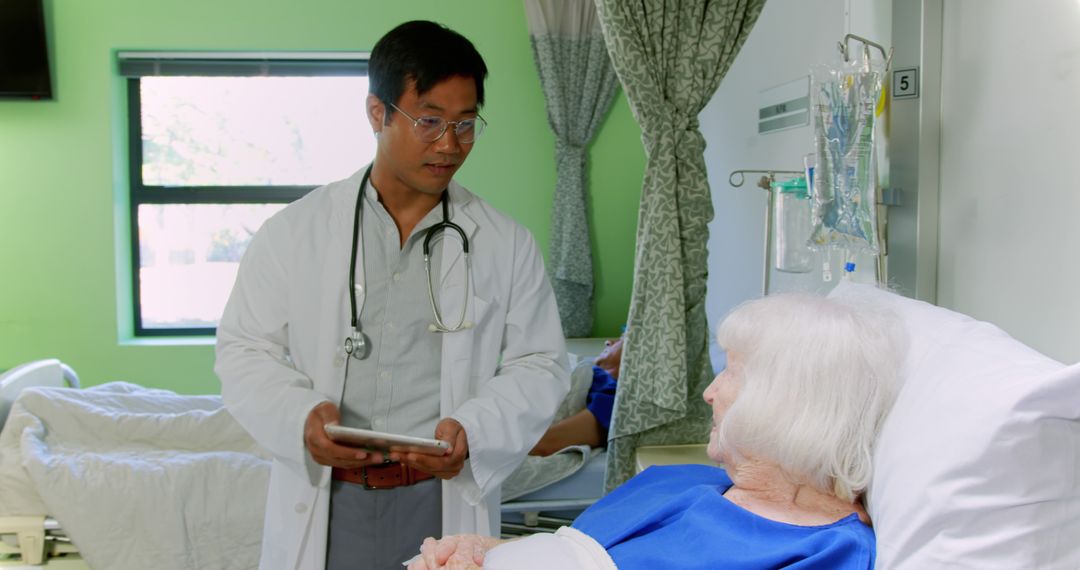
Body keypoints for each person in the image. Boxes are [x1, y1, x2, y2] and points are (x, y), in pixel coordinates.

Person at [215, 20, 570, 570]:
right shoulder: (296, 231)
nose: (450, 144)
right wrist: (300, 416)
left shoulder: (504, 243)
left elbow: (541, 361)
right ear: (377, 113)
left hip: (441, 499)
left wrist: (476, 429)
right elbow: (243, 348)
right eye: (429, 121)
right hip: (330, 499)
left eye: (466, 124)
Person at [408, 293, 907, 570]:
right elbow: (570, 547)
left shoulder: (825, 551)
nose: (709, 393)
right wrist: (480, 551)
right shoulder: (675, 480)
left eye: (730, 373)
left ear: (785, 400)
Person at [529, 334, 622, 456]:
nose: (608, 342)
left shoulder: (614, 399)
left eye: (622, 339)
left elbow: (547, 443)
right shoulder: (588, 371)